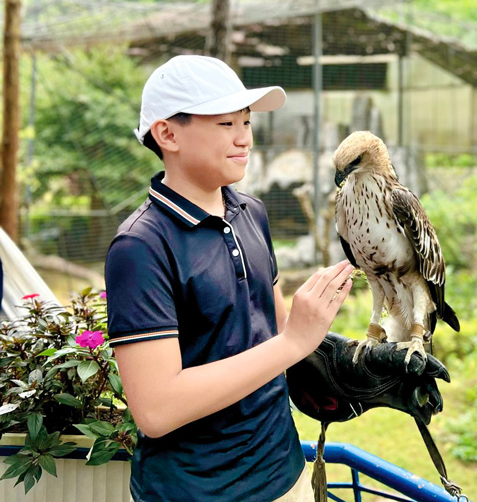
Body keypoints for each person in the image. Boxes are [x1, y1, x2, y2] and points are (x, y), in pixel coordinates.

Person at [104, 55, 354, 502]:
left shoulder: (250, 211)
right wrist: (293, 342)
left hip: (285, 472)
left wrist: (353, 359)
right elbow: (156, 409)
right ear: (167, 133)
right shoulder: (140, 247)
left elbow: (274, 329)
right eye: (225, 124)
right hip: (196, 491)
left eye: (247, 121)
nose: (244, 139)